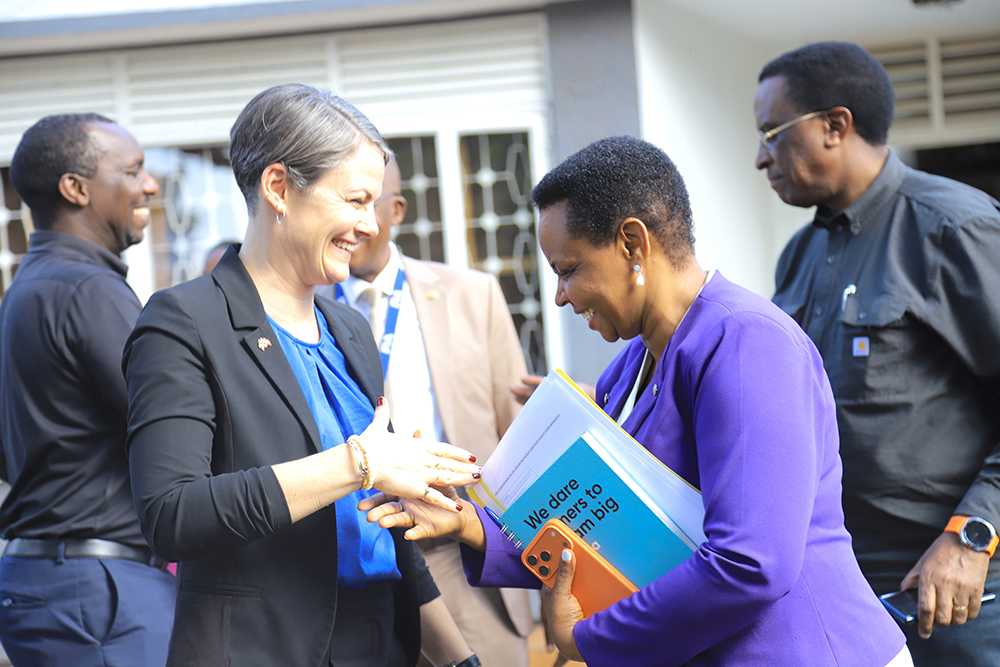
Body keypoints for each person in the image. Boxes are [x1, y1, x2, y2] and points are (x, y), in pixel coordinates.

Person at [361, 135, 910, 667]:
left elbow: (751, 563)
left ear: (632, 243)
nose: (560, 296)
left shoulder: (746, 342)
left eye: (569, 270)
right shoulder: (629, 367)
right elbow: (594, 531)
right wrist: (464, 520)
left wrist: (587, 640)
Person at [122, 83, 481, 667]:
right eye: (355, 200)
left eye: (374, 204)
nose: (370, 225)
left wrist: (461, 660)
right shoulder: (183, 321)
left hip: (383, 638)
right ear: (279, 188)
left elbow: (387, 532)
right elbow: (171, 514)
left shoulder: (349, 328)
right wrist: (356, 464)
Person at [755, 42, 1000, 666]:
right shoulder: (800, 257)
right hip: (846, 592)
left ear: (835, 126)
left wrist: (972, 537)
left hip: (959, 590)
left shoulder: (952, 227)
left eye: (772, 134)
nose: (761, 158)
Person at [317, 158, 535, 667]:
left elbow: (516, 432)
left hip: (467, 552)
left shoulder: (473, 295)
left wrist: (534, 562)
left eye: (366, 202)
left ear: (396, 210)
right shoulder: (305, 312)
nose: (352, 219)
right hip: (369, 563)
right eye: (341, 201)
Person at [0, 114, 175, 666]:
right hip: (100, 590)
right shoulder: (89, 289)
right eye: (133, 170)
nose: (149, 185)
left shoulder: (26, 290)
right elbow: (175, 423)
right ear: (75, 189)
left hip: (54, 579)